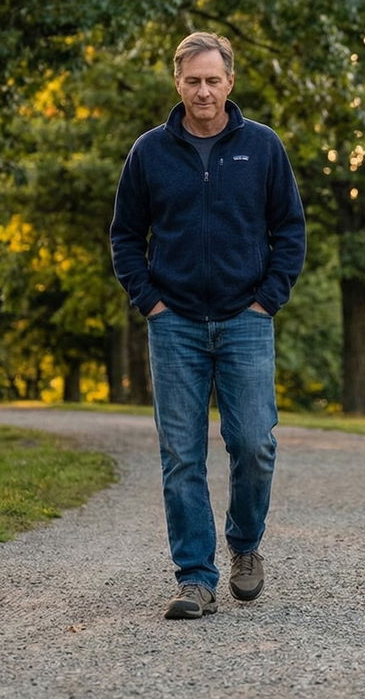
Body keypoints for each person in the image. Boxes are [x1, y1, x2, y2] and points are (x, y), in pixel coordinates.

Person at [109, 32, 306, 619]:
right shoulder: (149, 152)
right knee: (181, 456)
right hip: (175, 326)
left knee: (253, 444)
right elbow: (125, 235)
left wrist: (267, 301)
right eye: (192, 80)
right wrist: (150, 301)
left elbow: (289, 231)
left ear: (229, 83)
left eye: (212, 80)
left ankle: (244, 544)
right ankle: (195, 577)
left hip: (246, 320)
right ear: (177, 82)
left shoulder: (263, 147)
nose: (203, 90)